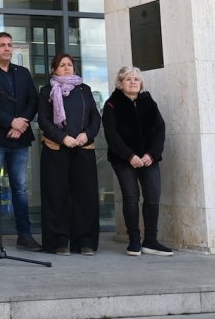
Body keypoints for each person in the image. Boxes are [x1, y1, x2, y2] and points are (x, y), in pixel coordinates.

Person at [0, 32, 41, 253]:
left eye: (10, 45)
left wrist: (21, 124)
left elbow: (33, 100)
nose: (7, 49)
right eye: (2, 45)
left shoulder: (23, 73)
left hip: (20, 139)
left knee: (20, 188)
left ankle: (24, 234)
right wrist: (11, 122)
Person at [103, 66, 173, 256]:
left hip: (148, 158)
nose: (133, 82)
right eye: (128, 79)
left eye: (136, 79)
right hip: (123, 159)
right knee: (131, 197)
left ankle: (151, 241)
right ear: (120, 83)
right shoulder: (111, 104)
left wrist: (151, 154)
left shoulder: (149, 102)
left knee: (152, 197)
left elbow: (160, 129)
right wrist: (130, 156)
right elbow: (111, 134)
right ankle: (134, 240)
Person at [37, 53, 101, 256]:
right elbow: (44, 120)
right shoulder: (47, 91)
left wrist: (86, 135)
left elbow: (95, 117)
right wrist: (63, 137)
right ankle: (58, 241)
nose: (66, 68)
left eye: (69, 65)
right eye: (62, 65)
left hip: (82, 148)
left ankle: (85, 242)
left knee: (86, 196)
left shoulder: (85, 90)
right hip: (56, 149)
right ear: (54, 69)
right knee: (56, 196)